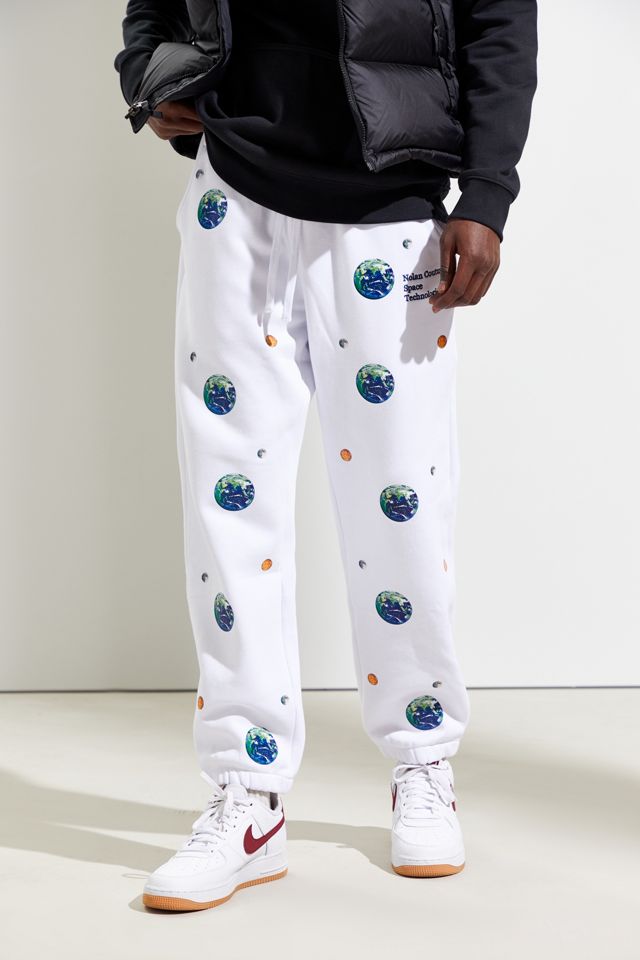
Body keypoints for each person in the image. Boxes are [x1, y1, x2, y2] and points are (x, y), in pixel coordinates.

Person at [114, 0, 537, 911]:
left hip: (390, 210)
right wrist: (146, 72)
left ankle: (422, 761)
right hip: (235, 196)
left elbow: (500, 19)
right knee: (228, 506)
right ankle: (248, 794)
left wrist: (487, 193)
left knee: (402, 505)